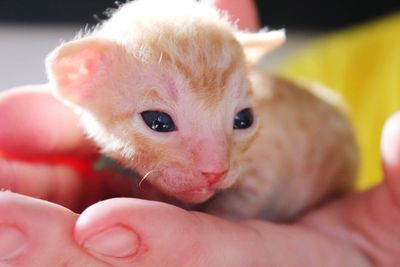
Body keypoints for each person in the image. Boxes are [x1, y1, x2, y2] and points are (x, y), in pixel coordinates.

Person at [0, 0, 399, 266]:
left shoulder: (276, 119)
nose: (217, 165)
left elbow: (256, 176)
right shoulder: (334, 62)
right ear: (79, 76)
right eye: (159, 122)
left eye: (241, 120)